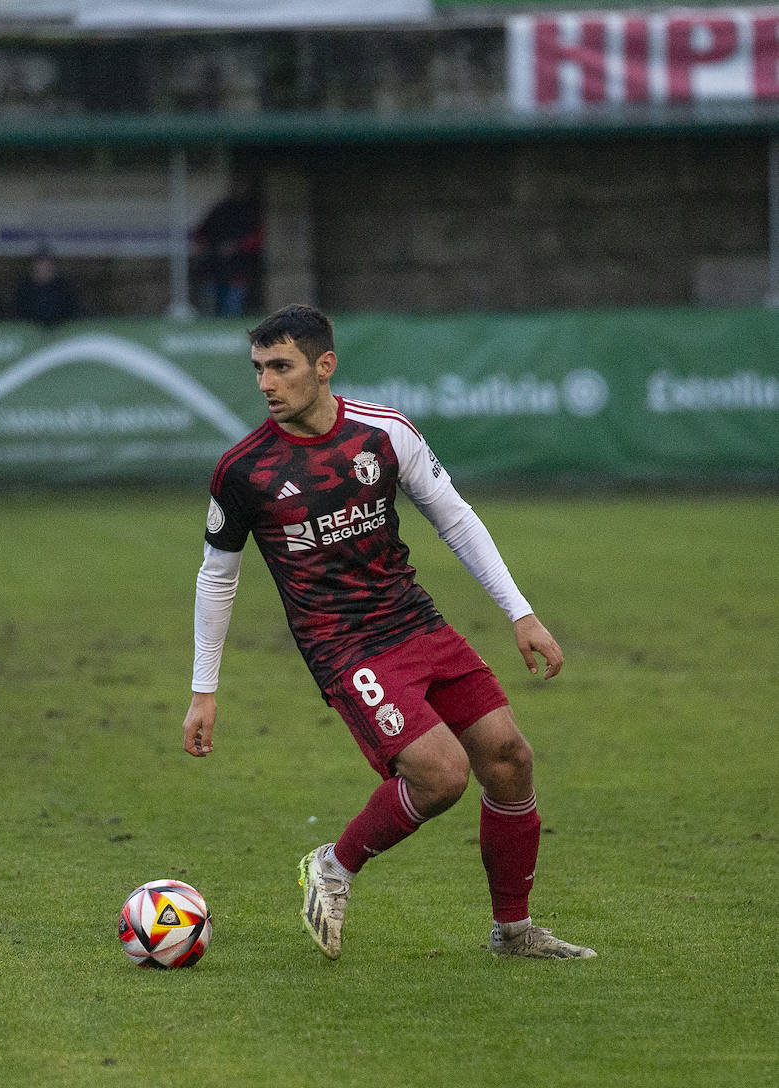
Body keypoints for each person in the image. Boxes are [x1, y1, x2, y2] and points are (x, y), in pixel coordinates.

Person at [182, 304, 596, 962]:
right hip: (344, 648)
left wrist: (519, 611)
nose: (265, 383)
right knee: (440, 775)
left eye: (280, 367)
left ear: (324, 367)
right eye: (258, 368)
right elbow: (216, 577)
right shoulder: (244, 471)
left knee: (509, 759)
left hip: (415, 622)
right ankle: (333, 866)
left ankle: (513, 933)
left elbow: (454, 519)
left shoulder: (383, 434)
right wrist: (204, 690)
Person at [190, 177, 263, 318]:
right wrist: (211, 248)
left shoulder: (251, 212)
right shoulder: (220, 210)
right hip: (214, 267)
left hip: (239, 267)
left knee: (233, 308)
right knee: (213, 309)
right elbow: (200, 233)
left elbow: (257, 239)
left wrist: (236, 246)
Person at [14, 252, 77, 326]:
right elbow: (19, 313)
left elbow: (71, 312)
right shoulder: (24, 289)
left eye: (47, 268)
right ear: (33, 269)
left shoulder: (63, 287)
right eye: (40, 268)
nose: (44, 271)